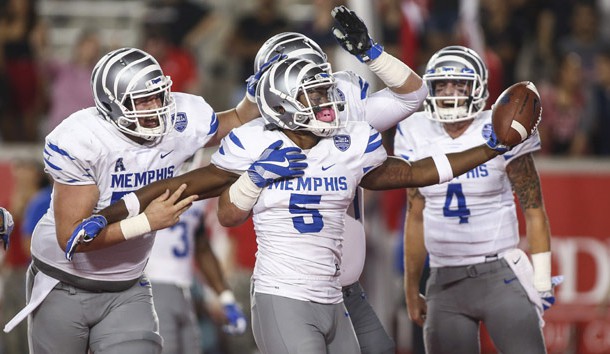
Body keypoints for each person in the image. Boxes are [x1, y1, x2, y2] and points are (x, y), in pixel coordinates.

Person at [3, 47, 273, 354]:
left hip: (128, 286)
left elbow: (237, 118)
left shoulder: (177, 121)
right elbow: (73, 237)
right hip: (63, 284)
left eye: (158, 95)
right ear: (111, 105)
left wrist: (256, 97)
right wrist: (145, 222)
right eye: (142, 100)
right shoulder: (84, 140)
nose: (155, 107)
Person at [394, 45, 554, 354]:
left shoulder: (499, 126)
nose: (450, 91)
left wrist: (543, 278)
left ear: (478, 88)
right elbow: (415, 215)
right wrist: (412, 289)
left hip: (500, 275)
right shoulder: (414, 130)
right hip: (444, 277)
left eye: (459, 84)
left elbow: (534, 210)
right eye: (442, 84)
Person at [145, 152, 246, 354]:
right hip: (150, 284)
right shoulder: (147, 182)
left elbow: (201, 246)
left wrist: (226, 298)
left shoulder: (197, 193)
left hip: (185, 287)